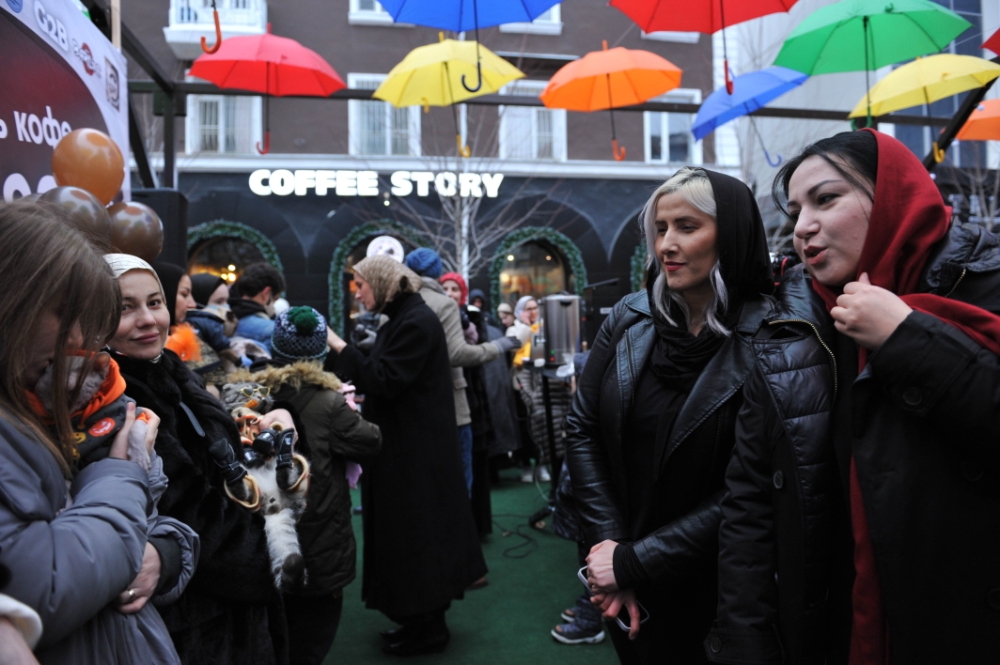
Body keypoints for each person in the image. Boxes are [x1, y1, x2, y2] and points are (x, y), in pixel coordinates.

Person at [710, 129, 1000, 664]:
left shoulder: (985, 283)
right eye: (795, 211)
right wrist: (746, 641)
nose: (803, 226)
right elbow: (750, 498)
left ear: (891, 194)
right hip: (834, 631)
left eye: (825, 199)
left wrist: (907, 337)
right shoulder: (789, 327)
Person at [565, 167, 774, 664]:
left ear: (733, 234)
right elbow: (584, 428)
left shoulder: (775, 334)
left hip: (720, 584)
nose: (666, 245)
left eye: (687, 226)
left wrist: (637, 562)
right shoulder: (630, 316)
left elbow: (757, 482)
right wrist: (610, 548)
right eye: (660, 229)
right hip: (620, 569)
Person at [0, 201, 168, 663]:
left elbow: (161, 519)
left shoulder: (97, 398)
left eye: (156, 302)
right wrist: (120, 473)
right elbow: (42, 587)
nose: (78, 339)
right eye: (64, 313)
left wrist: (166, 552)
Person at [105, 254, 292, 665]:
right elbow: (193, 516)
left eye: (155, 302)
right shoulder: (117, 402)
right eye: (125, 308)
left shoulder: (171, 370)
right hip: (197, 624)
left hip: (233, 610)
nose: (148, 319)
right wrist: (268, 552)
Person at [325, 256, 487, 657]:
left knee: (418, 539)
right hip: (409, 450)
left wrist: (338, 345)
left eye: (361, 285)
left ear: (383, 283)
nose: (357, 293)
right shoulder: (405, 317)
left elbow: (384, 379)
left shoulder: (415, 321)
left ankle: (428, 628)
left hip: (415, 456)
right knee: (411, 538)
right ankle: (418, 622)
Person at [242, 306, 382, 665]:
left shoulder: (250, 392)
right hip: (318, 537)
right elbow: (369, 441)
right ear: (320, 354)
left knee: (275, 633)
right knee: (313, 635)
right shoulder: (329, 401)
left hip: (263, 535)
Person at [230, 263, 285, 351]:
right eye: (275, 299)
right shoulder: (274, 331)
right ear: (266, 293)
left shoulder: (225, 322)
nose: (274, 307)